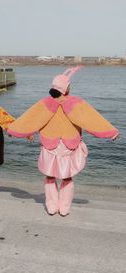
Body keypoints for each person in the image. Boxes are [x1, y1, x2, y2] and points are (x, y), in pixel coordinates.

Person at [7, 66, 119, 216]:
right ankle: (64, 207)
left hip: (49, 145)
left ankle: (52, 206)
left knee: (49, 176)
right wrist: (110, 132)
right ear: (66, 89)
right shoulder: (76, 103)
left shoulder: (45, 103)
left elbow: (29, 119)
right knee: (67, 177)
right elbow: (92, 120)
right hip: (68, 145)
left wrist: (14, 130)